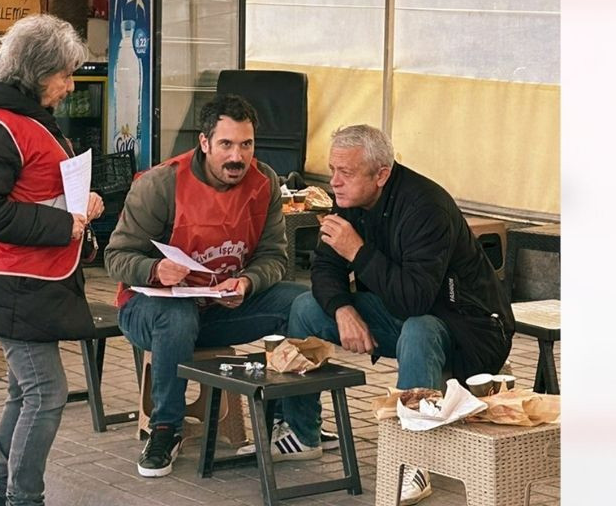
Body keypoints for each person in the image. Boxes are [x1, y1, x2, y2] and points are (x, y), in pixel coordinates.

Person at [250, 124, 513, 505]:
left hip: (472, 331)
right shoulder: (349, 199)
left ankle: (415, 461)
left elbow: (415, 301)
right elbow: (325, 268)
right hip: (405, 316)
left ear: (382, 175)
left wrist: (357, 251)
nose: (334, 183)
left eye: (346, 173)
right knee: (306, 307)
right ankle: (303, 434)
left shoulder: (426, 208)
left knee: (419, 329)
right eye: (332, 170)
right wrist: (343, 309)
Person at [0, 14, 105, 506]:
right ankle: (23, 498)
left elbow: (32, 188)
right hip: (10, 278)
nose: (70, 85)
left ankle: (1, 491)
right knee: (47, 392)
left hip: (20, 276)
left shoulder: (12, 116)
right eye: (64, 73)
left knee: (24, 391)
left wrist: (78, 206)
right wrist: (63, 224)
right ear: (36, 71)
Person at [104, 94, 309, 478]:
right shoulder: (161, 184)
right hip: (150, 310)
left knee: (304, 304)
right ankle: (167, 428)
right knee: (176, 315)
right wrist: (154, 270)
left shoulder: (264, 183)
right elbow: (115, 258)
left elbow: (276, 258)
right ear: (204, 143)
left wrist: (248, 282)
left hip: (221, 307)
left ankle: (293, 423)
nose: (237, 157)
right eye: (226, 145)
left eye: (246, 145)